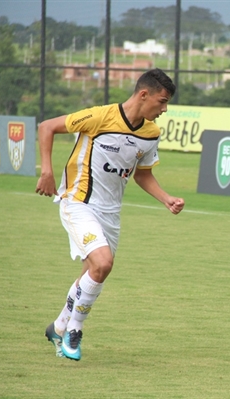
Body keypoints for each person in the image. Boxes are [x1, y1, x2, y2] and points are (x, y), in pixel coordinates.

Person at [35, 68, 185, 361]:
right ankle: (75, 331)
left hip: (111, 213)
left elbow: (142, 175)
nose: (164, 109)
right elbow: (46, 127)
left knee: (93, 272)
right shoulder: (100, 117)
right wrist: (47, 171)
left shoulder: (151, 133)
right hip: (78, 202)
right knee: (103, 263)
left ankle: (59, 325)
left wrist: (166, 199)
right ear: (144, 94)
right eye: (162, 101)